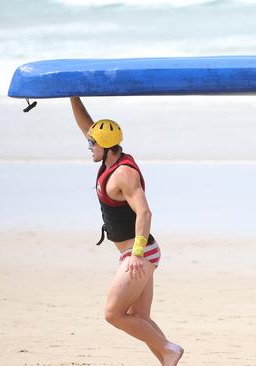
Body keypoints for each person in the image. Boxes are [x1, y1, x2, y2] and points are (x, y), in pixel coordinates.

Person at [70, 97, 184, 366]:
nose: (88, 146)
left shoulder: (124, 174)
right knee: (139, 318)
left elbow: (145, 212)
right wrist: (73, 96)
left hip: (139, 253)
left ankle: (170, 349)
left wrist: (136, 254)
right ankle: (168, 359)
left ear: (107, 147)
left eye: (92, 144)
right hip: (140, 252)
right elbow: (87, 127)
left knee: (113, 314)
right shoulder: (109, 159)